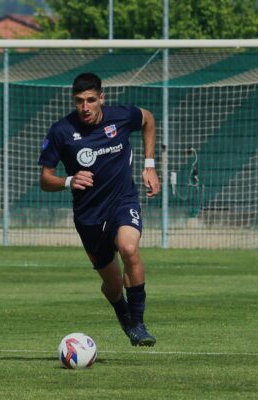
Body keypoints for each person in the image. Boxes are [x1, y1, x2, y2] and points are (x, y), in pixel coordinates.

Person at [38, 72, 160, 346]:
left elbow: (148, 118)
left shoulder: (121, 117)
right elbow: (45, 180)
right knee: (114, 285)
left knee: (129, 248)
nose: (85, 107)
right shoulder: (62, 131)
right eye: (79, 101)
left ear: (101, 98)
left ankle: (138, 325)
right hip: (89, 217)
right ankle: (123, 312)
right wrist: (69, 180)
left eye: (91, 100)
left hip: (122, 202)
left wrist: (149, 165)